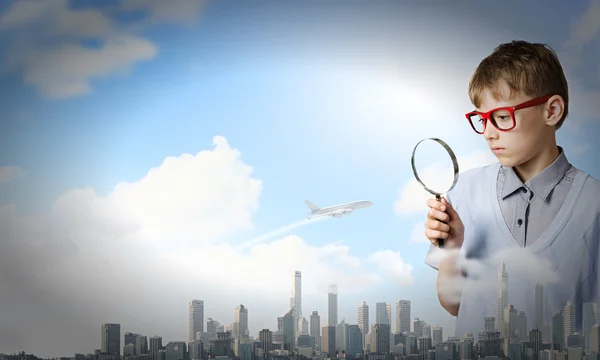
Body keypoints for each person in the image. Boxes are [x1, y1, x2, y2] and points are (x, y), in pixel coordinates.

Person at [423, 40, 600, 340]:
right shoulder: (463, 191)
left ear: (552, 110)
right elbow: (454, 304)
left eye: (502, 117)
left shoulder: (593, 205)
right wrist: (451, 250)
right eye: (482, 119)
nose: (489, 133)